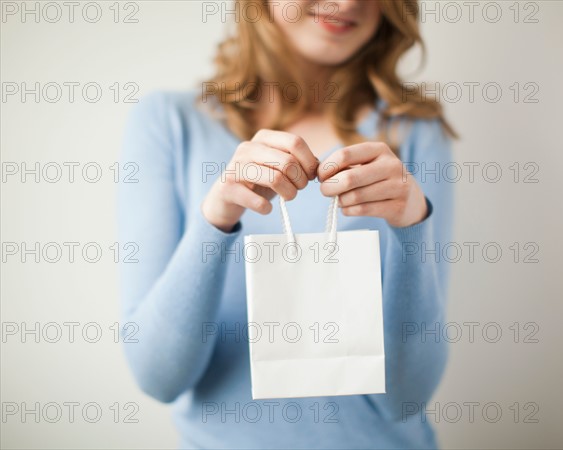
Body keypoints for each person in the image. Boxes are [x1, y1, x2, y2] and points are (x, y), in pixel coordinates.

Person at [118, 1, 455, 448]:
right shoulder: (169, 123)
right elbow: (158, 378)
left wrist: (414, 226)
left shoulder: (412, 132)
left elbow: (407, 399)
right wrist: (215, 219)